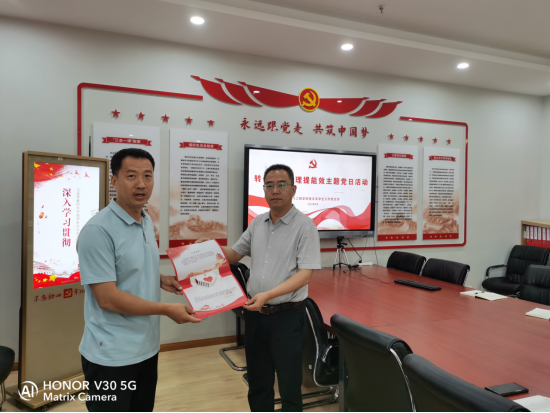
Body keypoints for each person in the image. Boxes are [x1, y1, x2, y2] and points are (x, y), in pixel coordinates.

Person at [77, 148, 200, 412]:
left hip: (146, 348)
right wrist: (167, 309)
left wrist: (160, 278)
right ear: (114, 181)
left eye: (147, 176)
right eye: (131, 175)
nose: (141, 184)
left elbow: (130, 268)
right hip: (111, 356)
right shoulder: (98, 231)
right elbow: (107, 298)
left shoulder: (144, 219)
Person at [198, 164, 321, 412]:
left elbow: (305, 275)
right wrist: (212, 249)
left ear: (293, 189)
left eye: (281, 185)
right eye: (269, 185)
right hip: (256, 316)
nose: (275, 190)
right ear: (264, 190)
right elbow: (235, 254)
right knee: (258, 382)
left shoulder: (305, 226)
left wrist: (268, 295)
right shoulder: (258, 223)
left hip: (287, 317)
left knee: (289, 386)